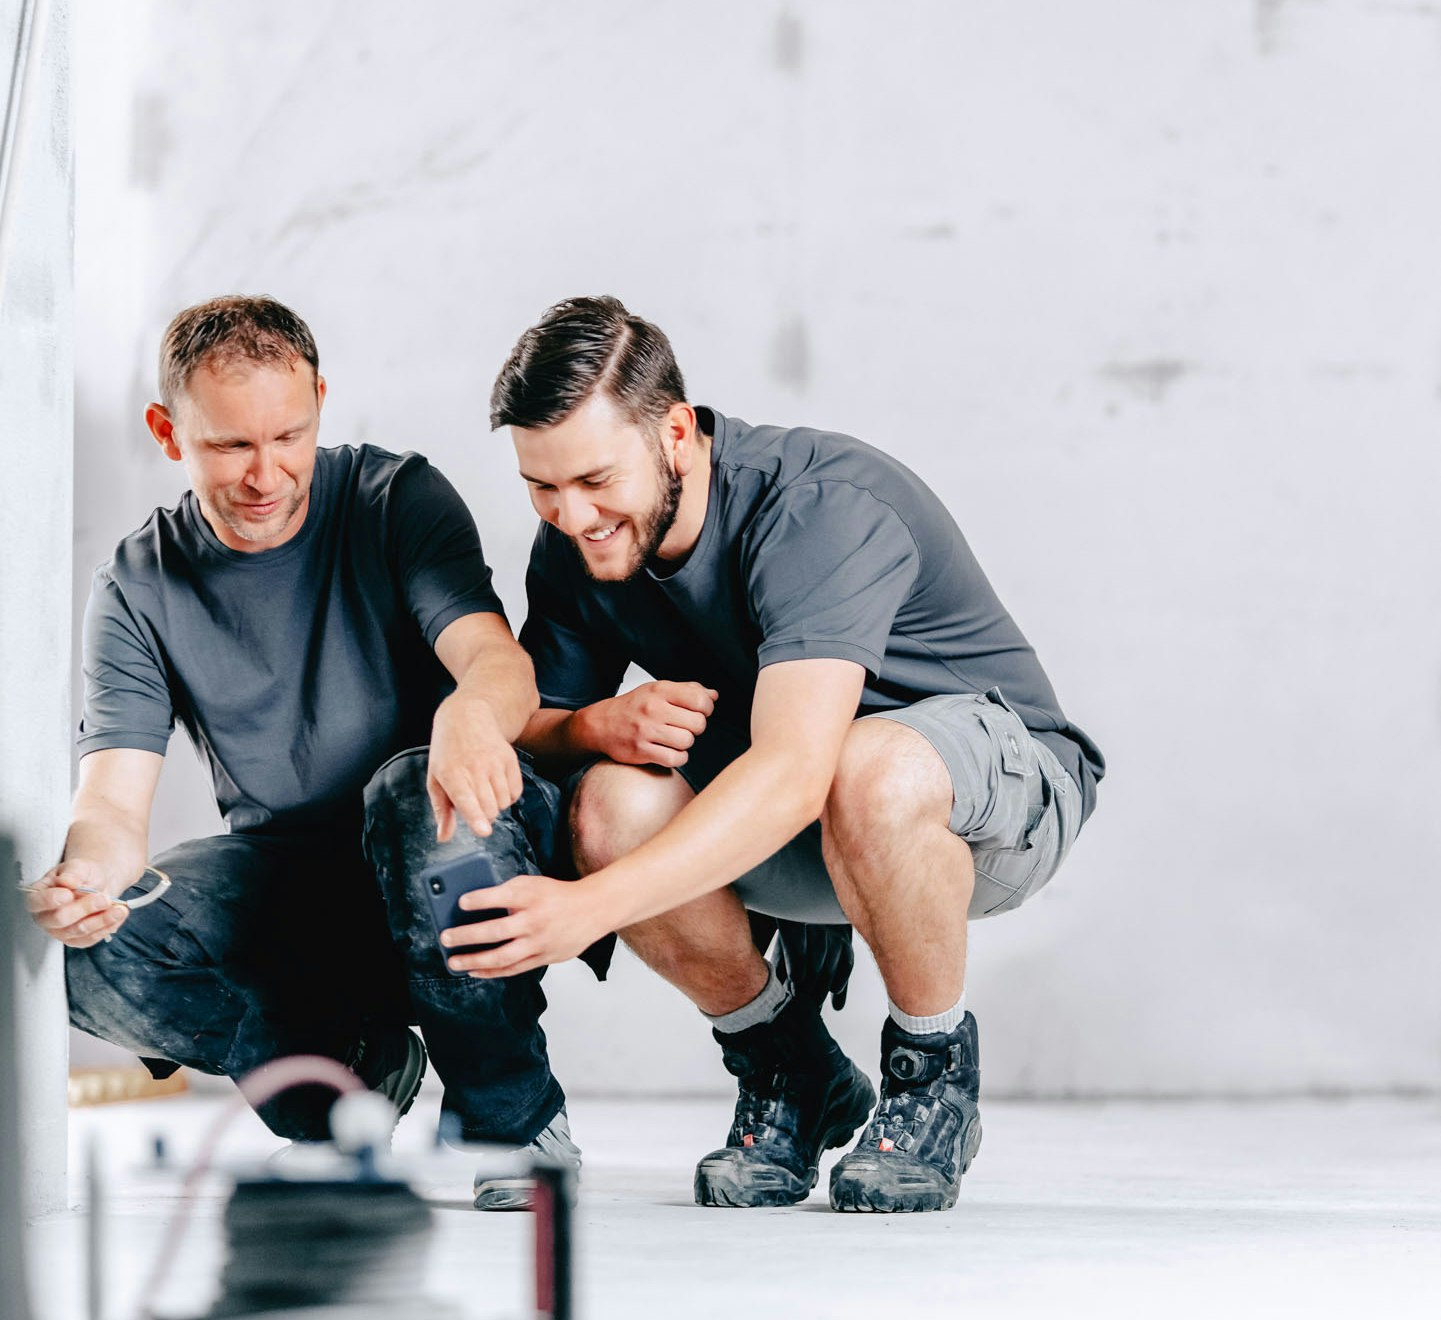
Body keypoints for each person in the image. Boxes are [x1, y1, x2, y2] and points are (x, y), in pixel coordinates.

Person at [444, 294, 1104, 1214]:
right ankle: (789, 1071)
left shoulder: (817, 505)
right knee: (610, 802)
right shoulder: (578, 546)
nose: (571, 514)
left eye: (594, 479)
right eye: (541, 488)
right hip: (811, 820)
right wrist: (598, 726)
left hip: (991, 800)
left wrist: (584, 911)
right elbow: (541, 720)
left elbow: (797, 768)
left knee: (864, 762)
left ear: (674, 431)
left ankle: (930, 1084)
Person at [23, 295, 591, 1209]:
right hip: (293, 879)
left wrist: (467, 717)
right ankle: (348, 1081)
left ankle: (514, 1122)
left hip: (447, 841)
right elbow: (114, 807)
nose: (264, 474)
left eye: (288, 436)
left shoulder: (394, 498)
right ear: (168, 433)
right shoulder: (136, 584)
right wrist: (83, 885)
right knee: (86, 953)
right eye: (229, 447)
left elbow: (494, 662)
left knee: (413, 794)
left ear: (322, 401)